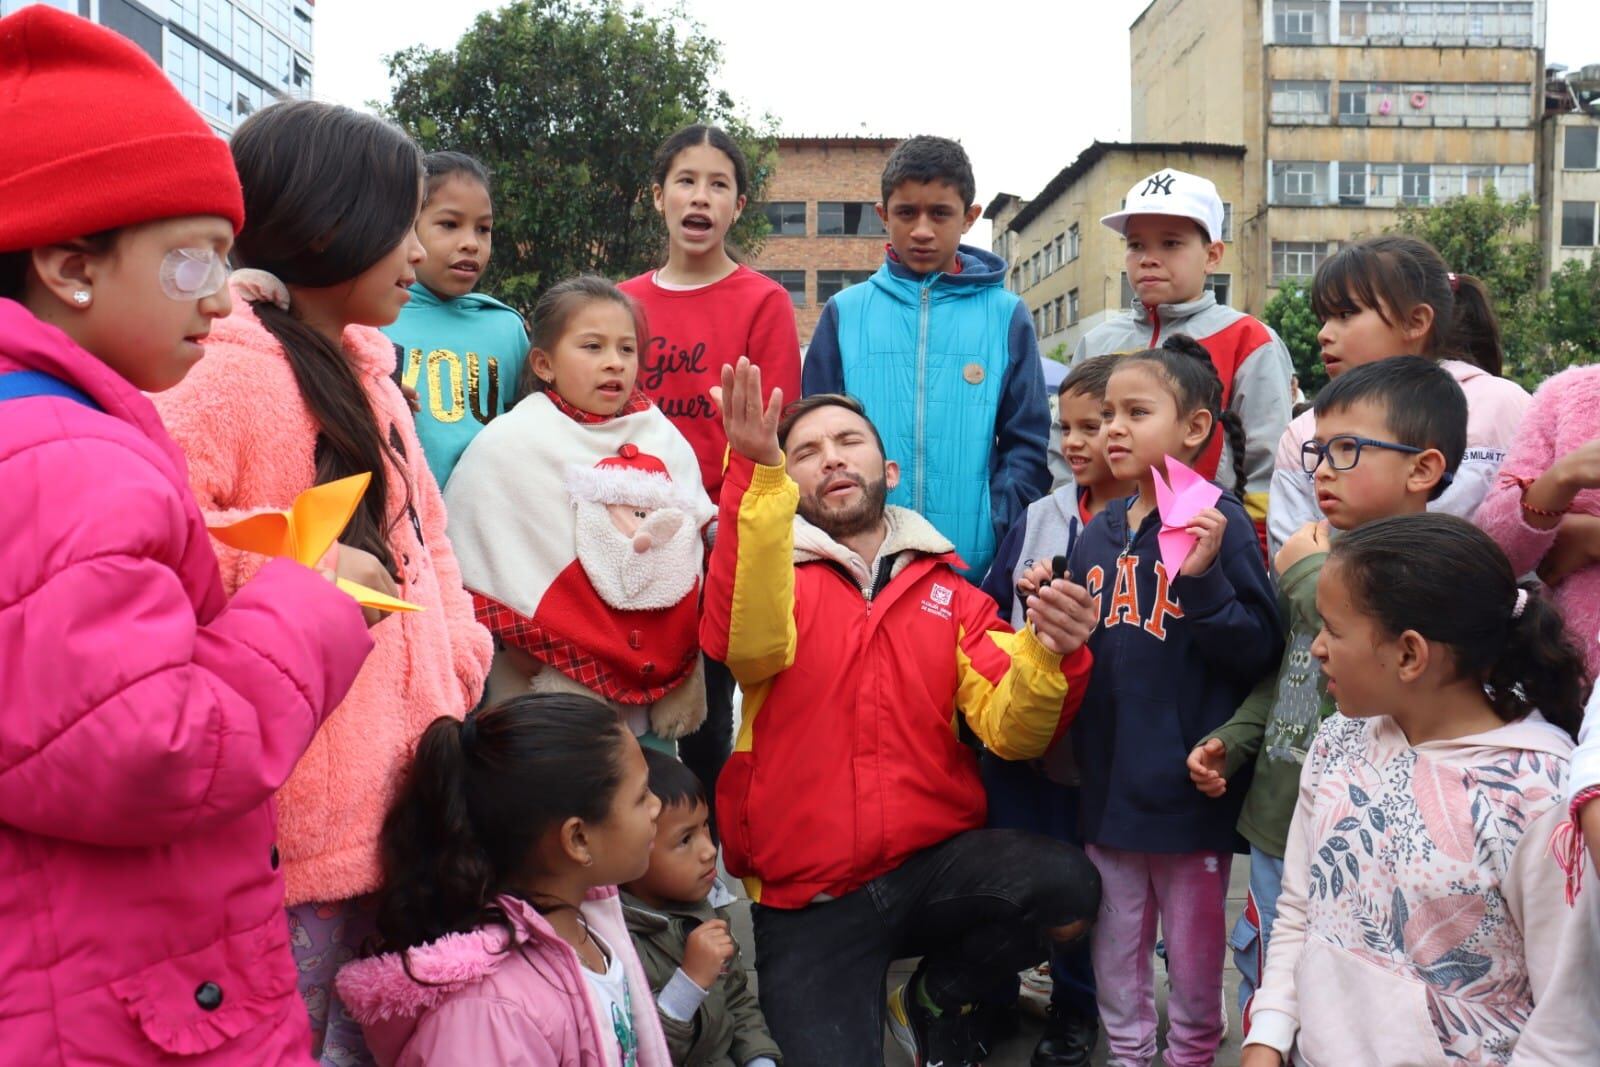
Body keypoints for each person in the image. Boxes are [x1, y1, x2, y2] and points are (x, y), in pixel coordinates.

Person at [0, 9, 377, 1062]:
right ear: (69, 265)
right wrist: (310, 605)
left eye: (226, 257)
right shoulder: (65, 457)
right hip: (119, 1003)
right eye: (191, 260)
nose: (221, 299)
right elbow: (148, 749)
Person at [151, 100, 493, 1064]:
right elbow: (159, 548)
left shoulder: (372, 377)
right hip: (292, 840)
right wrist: (309, 579)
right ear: (327, 220)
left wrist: (457, 664)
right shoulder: (223, 374)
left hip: (400, 811)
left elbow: (431, 542)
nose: (418, 252)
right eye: (402, 220)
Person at [703, 359, 1102, 1067]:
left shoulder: (953, 593)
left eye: (848, 441)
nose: (832, 457)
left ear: (888, 470)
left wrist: (1051, 653)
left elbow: (1013, 733)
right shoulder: (768, 580)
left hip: (931, 870)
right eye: (806, 451)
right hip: (809, 897)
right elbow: (747, 644)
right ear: (786, 482)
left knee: (1067, 886)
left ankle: (932, 1000)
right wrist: (755, 477)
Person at [1240, 515, 1595, 1067]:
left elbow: (1566, 1023)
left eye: (1333, 630)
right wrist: (1268, 1036)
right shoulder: (1338, 740)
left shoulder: (1537, 796)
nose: (1317, 648)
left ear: (1409, 654)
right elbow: (1300, 911)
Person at [1187, 357, 1468, 1033]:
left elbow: (1392, 662)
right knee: (1268, 974)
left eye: (1347, 449)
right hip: (1276, 819)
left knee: (1348, 991)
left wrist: (1307, 572)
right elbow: (1289, 670)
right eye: (1317, 450)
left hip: (1364, 836)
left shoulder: (1435, 568)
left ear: (1423, 469)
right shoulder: (1318, 551)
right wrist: (1237, 737)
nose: (1322, 469)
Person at [1066, 334, 1283, 1067]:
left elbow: (1258, 651)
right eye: (1106, 414)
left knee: (1193, 952)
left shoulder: (1214, 520)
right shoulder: (1096, 532)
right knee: (1115, 944)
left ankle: (1191, 1052)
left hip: (1188, 794)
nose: (1113, 429)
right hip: (1108, 788)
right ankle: (1128, 1054)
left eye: (1136, 412)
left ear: (1194, 427)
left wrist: (1203, 578)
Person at [618, 123, 802, 822]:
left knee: (705, 717)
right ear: (657, 196)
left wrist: (719, 526)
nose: (700, 197)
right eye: (686, 181)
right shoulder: (623, 301)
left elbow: (770, 433)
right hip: (625, 533)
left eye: (718, 184)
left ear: (738, 205)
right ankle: (628, 849)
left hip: (718, 540)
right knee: (625, 705)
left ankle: (702, 846)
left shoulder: (764, 301)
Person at [445, 276, 713, 750]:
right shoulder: (510, 442)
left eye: (627, 349)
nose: (614, 362)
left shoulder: (662, 435)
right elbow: (476, 542)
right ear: (544, 364)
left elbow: (687, 545)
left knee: (651, 792)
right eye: (593, 346)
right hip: (544, 687)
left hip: (655, 694)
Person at [334, 695, 673, 1066]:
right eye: (641, 796)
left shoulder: (587, 923)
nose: (657, 806)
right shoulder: (489, 1014)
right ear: (577, 839)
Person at [801, 134, 1051, 582]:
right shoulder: (844, 313)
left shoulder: (1006, 316)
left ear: (969, 217)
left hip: (971, 567)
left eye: (939, 213)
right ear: (883, 215)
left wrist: (997, 526)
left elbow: (1027, 444)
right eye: (906, 212)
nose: (921, 229)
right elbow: (812, 437)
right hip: (856, 565)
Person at [978, 353, 1132, 1066]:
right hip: (1026, 737)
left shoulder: (1167, 521)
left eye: (1091, 426)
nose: (1073, 443)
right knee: (1012, 868)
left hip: (1106, 749)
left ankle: (1077, 1007)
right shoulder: (1041, 514)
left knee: (1088, 888)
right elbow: (988, 613)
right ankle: (991, 992)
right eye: (1064, 427)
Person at [1071, 167, 1294, 548]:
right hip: (1105, 554)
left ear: (1212, 255)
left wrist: (1250, 556)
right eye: (1136, 245)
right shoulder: (1096, 343)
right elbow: (1069, 452)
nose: (1148, 259)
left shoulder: (1250, 340)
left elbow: (1269, 469)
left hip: (1206, 553)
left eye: (1171, 243)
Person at [1268, 234, 1529, 556]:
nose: (1323, 334)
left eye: (1346, 314)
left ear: (1416, 322)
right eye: (1324, 319)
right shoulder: (1303, 432)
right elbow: (1291, 561)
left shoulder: (1503, 405)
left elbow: (1537, 538)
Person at [620, 750, 782, 1067]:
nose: (709, 850)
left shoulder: (703, 910)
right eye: (685, 840)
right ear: (631, 850)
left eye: (705, 826)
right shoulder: (619, 944)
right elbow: (641, 1053)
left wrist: (759, 1058)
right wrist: (690, 983)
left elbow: (736, 998)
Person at [383, 150, 529, 487]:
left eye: (483, 229)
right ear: (408, 227)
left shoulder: (506, 328)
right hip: (400, 512)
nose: (471, 244)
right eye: (449, 224)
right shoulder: (374, 319)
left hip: (488, 511)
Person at [1474, 363, 1600, 681]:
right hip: (1569, 681)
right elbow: (1494, 552)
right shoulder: (1570, 394)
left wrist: (1590, 538)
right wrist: (1561, 479)